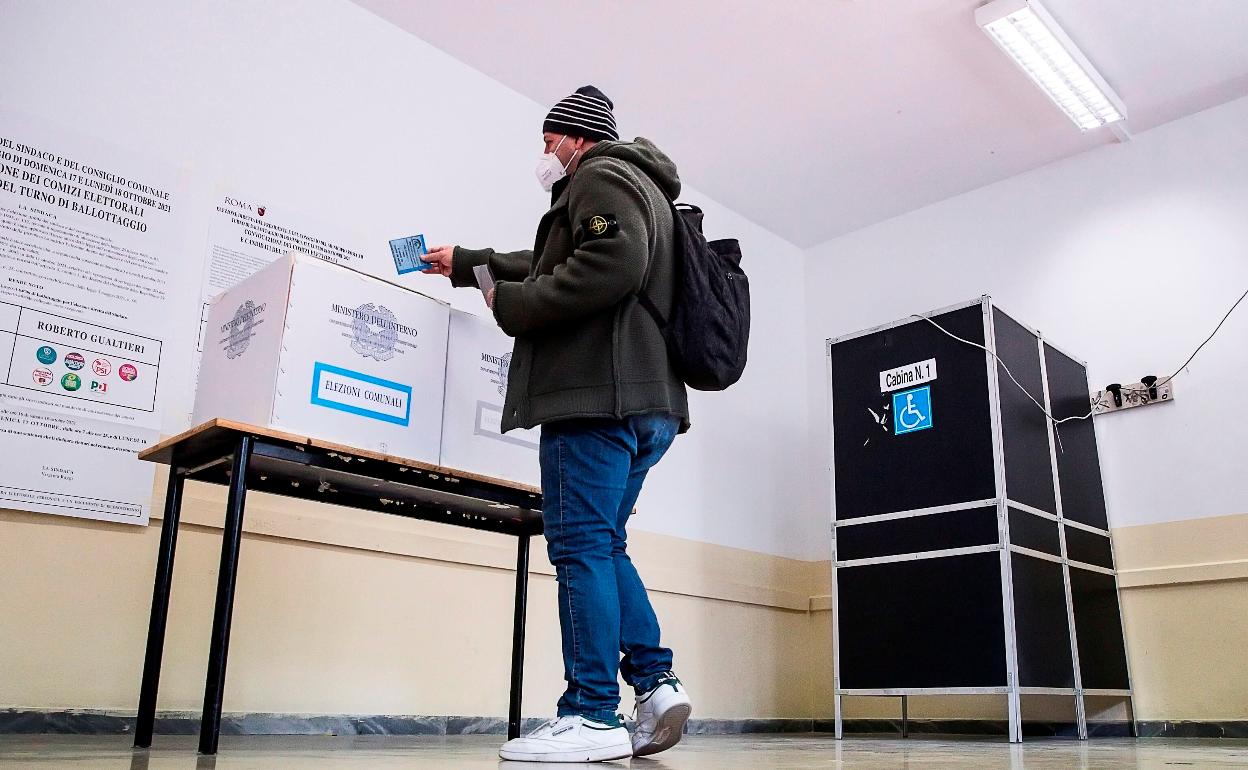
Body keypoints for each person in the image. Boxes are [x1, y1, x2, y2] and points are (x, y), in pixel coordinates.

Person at [423, 85, 692, 763]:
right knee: (605, 544)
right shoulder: (645, 187)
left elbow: (611, 261)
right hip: (648, 404)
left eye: (549, 141)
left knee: (578, 546)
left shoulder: (600, 174)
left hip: (595, 399)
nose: (544, 155)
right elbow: (558, 260)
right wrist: (469, 265)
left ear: (578, 136)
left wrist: (514, 307)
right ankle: (655, 683)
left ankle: (592, 714)